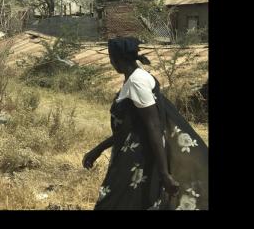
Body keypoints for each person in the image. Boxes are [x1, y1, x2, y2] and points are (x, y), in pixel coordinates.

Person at [82, 37, 208, 210]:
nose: (111, 63)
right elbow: (131, 128)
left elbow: (153, 125)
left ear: (118, 59)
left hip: (140, 157)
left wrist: (164, 174)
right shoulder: (135, 76)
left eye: (111, 58)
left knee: (117, 201)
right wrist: (98, 149)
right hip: (135, 152)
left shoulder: (137, 82)